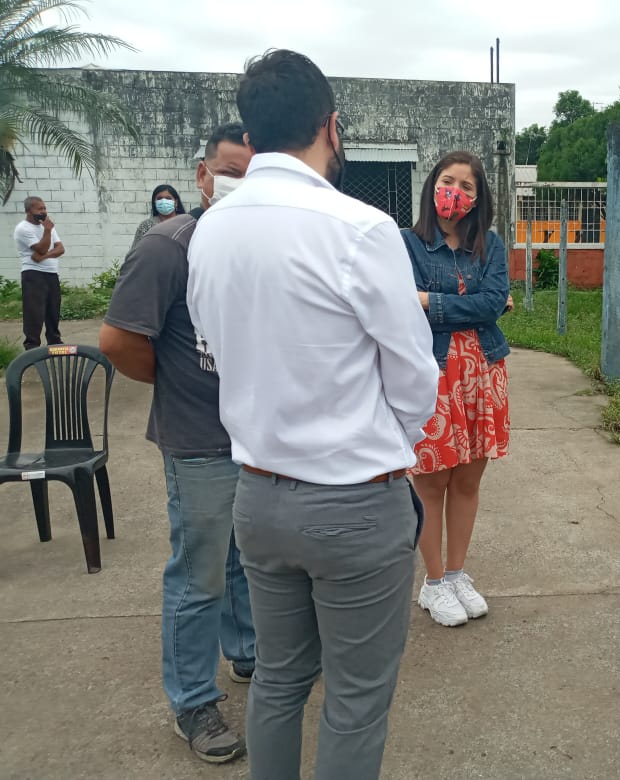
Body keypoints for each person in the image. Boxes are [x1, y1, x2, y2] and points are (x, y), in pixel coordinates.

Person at [185, 49, 439, 780]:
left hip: (260, 495)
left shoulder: (213, 229)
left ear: (252, 135)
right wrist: (380, 447)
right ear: (331, 126)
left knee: (278, 679)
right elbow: (413, 372)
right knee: (356, 699)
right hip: (354, 501)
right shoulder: (360, 227)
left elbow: (213, 349)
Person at [99, 123, 255, 765]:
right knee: (199, 573)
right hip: (197, 441)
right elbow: (119, 343)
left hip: (258, 436)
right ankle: (192, 701)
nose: (241, 184)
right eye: (230, 171)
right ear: (201, 175)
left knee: (245, 558)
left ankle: (247, 652)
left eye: (254, 173)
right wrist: (182, 384)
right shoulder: (169, 247)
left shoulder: (261, 246)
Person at [401, 151, 511, 628]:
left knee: (467, 481)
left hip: (483, 372)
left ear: (479, 198)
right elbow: (402, 306)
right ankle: (433, 582)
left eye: (467, 186)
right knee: (431, 482)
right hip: (433, 373)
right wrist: (473, 306)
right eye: (448, 181)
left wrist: (430, 300)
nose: (456, 193)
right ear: (432, 186)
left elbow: (493, 303)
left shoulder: (490, 244)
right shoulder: (407, 244)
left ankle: (456, 574)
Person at [13, 196, 65, 350]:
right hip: (33, 273)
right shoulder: (23, 228)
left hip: (51, 273)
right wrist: (47, 231)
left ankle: (54, 341)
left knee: (53, 309)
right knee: (34, 312)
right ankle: (32, 346)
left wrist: (44, 256)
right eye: (39, 209)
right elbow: (42, 248)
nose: (43, 211)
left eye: (44, 208)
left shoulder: (48, 226)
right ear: (29, 211)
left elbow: (60, 249)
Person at [131, 184, 187, 249]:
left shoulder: (185, 224)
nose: (164, 201)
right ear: (155, 203)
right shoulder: (146, 226)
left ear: (176, 202)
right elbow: (136, 251)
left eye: (168, 198)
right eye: (159, 198)